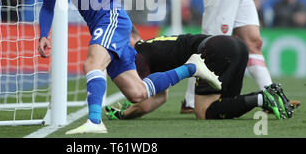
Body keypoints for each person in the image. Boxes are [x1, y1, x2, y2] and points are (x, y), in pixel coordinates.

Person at [37, 0, 221, 134]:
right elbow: (47, 6)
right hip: (99, 26)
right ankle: (193, 67)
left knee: (92, 65)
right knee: (137, 93)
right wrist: (44, 34)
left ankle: (94, 122)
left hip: (112, 18)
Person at [105, 26, 295, 121]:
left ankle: (263, 98)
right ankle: (270, 97)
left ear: (132, 38)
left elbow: (143, 100)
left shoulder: (138, 53)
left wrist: (123, 114)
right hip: (235, 46)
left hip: (214, 51)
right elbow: (159, 97)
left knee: (203, 112)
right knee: (223, 109)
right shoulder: (153, 47)